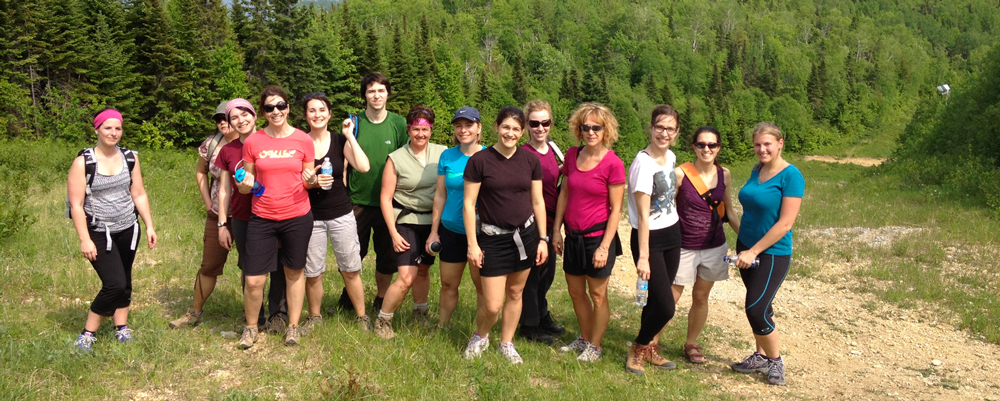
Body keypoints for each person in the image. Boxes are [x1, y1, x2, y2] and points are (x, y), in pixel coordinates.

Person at [462, 106, 548, 364]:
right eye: (506, 127)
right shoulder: (480, 161)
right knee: (491, 304)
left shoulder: (530, 161)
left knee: (515, 293)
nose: (510, 133)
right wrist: (472, 245)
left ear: (522, 132)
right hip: (492, 238)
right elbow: (468, 204)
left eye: (516, 129)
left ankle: (506, 342)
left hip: (526, 236)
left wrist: (543, 239)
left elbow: (538, 201)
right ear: (496, 127)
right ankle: (481, 336)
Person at [69, 108, 157, 353]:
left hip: (128, 227)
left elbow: (138, 193)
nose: (113, 133)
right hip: (98, 230)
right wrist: (84, 239)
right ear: (96, 129)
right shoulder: (83, 162)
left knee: (125, 279)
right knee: (114, 284)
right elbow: (76, 205)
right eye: (108, 128)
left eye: (118, 128)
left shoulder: (130, 157)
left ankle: (121, 328)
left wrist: (149, 225)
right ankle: (88, 332)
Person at [236, 86, 315, 349]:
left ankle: (293, 327)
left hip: (297, 215)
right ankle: (251, 328)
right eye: (269, 107)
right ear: (263, 112)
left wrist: (313, 180)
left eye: (280, 105)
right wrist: (245, 185)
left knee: (294, 272)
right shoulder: (253, 142)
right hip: (262, 216)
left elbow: (308, 181)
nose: (276, 111)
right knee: (253, 278)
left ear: (288, 108)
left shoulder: (303, 140)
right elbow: (246, 183)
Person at [729, 122, 804, 386]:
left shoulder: (791, 176)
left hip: (771, 253)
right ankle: (760, 356)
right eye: (758, 144)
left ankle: (775, 361)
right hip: (746, 248)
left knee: (756, 308)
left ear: (780, 143)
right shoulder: (756, 169)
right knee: (762, 305)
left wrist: (754, 250)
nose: (762, 149)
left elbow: (785, 223)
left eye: (767, 144)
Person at [552, 103, 625, 362]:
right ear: (579, 130)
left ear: (606, 130)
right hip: (572, 235)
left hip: (597, 238)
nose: (591, 132)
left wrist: (605, 247)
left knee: (597, 294)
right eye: (586, 127)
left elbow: (616, 209)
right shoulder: (572, 155)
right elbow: (565, 193)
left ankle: (596, 345)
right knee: (575, 291)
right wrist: (556, 230)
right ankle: (584, 338)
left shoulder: (613, 163)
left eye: (597, 127)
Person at [299, 93, 371, 333]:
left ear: (330, 114)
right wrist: (310, 181)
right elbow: (296, 180)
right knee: (313, 271)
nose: (317, 115)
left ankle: (362, 317)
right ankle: (315, 316)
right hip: (311, 215)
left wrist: (350, 136)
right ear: (305, 115)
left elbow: (363, 166)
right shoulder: (300, 141)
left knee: (350, 268)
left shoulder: (340, 141)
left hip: (341, 213)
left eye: (322, 110)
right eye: (312, 110)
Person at [373, 105, 446, 339]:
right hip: (405, 220)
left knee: (423, 270)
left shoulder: (441, 153)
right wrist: (393, 233)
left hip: (433, 221)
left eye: (425, 130)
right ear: (408, 130)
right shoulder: (395, 158)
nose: (420, 135)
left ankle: (420, 311)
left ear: (431, 130)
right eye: (416, 129)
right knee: (406, 277)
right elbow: (385, 198)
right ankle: (383, 319)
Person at [169, 101, 242, 329]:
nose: (222, 123)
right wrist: (207, 201)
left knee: (251, 267)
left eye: (227, 118)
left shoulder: (254, 142)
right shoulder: (211, 144)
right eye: (218, 119)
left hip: (249, 215)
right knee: (209, 266)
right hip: (217, 215)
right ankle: (195, 312)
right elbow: (201, 171)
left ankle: (253, 318)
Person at [671, 126, 740, 364]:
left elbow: (729, 211)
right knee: (671, 296)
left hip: (713, 246)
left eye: (712, 145)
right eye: (701, 145)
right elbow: (667, 209)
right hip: (683, 245)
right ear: (694, 147)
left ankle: (691, 343)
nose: (706, 149)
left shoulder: (725, 175)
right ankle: (650, 343)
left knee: (701, 297)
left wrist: (748, 242)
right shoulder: (680, 173)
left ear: (719, 148)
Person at [341, 73, 409, 314]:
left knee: (387, 256)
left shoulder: (399, 124)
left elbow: (405, 160)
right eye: (371, 91)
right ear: (364, 96)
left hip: (389, 202)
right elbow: (345, 160)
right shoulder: (353, 122)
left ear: (388, 94)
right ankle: (348, 299)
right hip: (358, 200)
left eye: (381, 90)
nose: (376, 95)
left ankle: (381, 298)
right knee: (352, 254)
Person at [624, 105, 683, 375]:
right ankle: (638, 347)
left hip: (672, 233)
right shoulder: (642, 164)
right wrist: (644, 256)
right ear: (651, 128)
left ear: (676, 132)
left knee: (655, 301)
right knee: (667, 306)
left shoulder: (670, 157)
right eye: (659, 127)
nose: (664, 133)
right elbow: (644, 216)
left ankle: (646, 349)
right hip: (649, 238)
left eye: (670, 128)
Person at [426, 106, 486, 328]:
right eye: (458, 125)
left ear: (479, 127)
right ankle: (443, 326)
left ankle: (481, 333)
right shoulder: (447, 156)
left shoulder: (489, 155)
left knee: (483, 287)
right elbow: (440, 195)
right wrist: (434, 230)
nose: (463, 130)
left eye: (469, 125)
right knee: (448, 284)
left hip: (481, 232)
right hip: (451, 229)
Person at [517, 100, 566, 344]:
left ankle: (542, 314)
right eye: (534, 123)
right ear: (526, 125)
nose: (540, 128)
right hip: (531, 223)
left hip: (551, 221)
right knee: (533, 274)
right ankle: (529, 325)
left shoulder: (554, 149)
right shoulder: (524, 154)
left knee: (547, 273)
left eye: (545, 122)